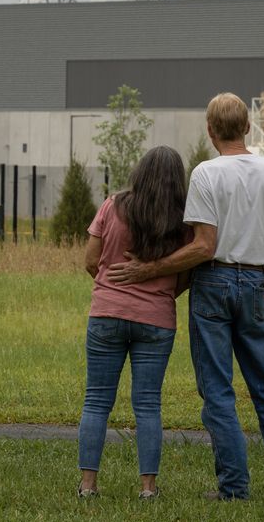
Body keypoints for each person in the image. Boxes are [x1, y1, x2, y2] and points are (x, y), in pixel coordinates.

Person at [109, 92, 264, 500]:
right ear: (248, 127)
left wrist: (148, 270)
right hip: (255, 282)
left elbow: (203, 247)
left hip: (213, 285)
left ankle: (234, 488)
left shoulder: (205, 174)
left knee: (218, 391)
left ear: (210, 131)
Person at [78, 146, 191, 499]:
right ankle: (148, 488)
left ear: (140, 172)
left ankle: (87, 486)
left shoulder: (112, 205)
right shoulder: (184, 220)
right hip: (157, 321)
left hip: (106, 314)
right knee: (148, 404)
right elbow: (187, 273)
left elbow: (90, 260)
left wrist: (111, 288)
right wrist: (160, 293)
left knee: (96, 401)